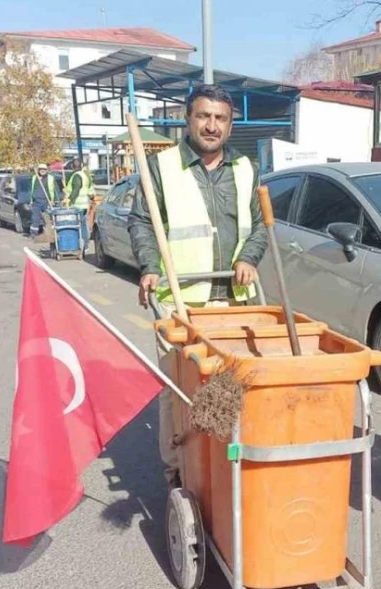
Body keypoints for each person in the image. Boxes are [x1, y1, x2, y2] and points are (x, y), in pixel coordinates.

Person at [128, 84, 268, 488]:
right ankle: (178, 470)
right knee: (178, 392)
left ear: (230, 123)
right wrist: (149, 266)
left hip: (232, 302)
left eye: (220, 118)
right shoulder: (163, 167)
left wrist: (248, 258)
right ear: (188, 119)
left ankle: (219, 469)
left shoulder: (245, 168)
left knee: (225, 389)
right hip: (180, 302)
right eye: (203, 116)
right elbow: (142, 221)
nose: (211, 126)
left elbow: (258, 226)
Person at [64, 161, 95, 250]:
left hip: (77, 204)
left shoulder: (76, 176)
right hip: (84, 204)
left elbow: (76, 189)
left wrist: (69, 199)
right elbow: (89, 189)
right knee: (84, 224)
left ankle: (80, 243)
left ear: (72, 167)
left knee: (78, 225)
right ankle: (86, 244)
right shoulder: (85, 175)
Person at [29, 164, 60, 239]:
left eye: (44, 169)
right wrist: (31, 200)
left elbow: (56, 190)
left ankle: (50, 234)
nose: (42, 171)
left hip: (47, 202)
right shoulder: (34, 178)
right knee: (35, 218)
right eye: (41, 169)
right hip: (36, 202)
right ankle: (33, 234)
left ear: (47, 170)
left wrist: (55, 200)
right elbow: (31, 189)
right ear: (38, 170)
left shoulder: (50, 178)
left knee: (48, 219)